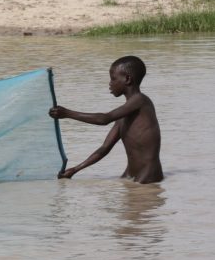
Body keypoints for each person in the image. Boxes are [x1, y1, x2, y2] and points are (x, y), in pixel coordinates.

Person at [48, 55, 164, 184]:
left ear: (127, 79)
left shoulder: (141, 100)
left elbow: (104, 119)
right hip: (130, 174)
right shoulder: (123, 115)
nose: (110, 83)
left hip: (148, 174)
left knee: (138, 196)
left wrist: (67, 113)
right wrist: (75, 170)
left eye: (113, 79)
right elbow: (104, 148)